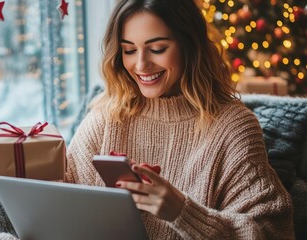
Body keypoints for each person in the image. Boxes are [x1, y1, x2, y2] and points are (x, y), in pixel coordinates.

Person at [65, 0, 294, 239]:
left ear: (189, 46)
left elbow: (270, 231)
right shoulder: (108, 112)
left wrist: (181, 212)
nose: (141, 65)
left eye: (157, 49)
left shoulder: (233, 126)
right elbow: (61, 195)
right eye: (129, 50)